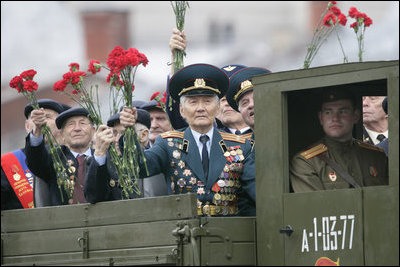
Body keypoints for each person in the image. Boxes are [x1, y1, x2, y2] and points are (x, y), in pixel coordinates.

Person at [119, 63, 256, 216]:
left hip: (231, 234)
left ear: (218, 108)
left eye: (207, 101)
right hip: (183, 233)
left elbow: (254, 193)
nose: (200, 108)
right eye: (193, 102)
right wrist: (129, 132)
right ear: (182, 110)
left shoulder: (240, 145)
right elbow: (138, 168)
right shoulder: (168, 143)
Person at [290, 89, 388, 192]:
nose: (335, 118)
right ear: (321, 118)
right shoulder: (306, 162)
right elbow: (315, 206)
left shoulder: (377, 156)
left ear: (355, 116)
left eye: (342, 111)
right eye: (328, 112)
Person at [1, 99, 66, 210]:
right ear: (27, 126)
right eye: (35, 118)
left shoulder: (70, 156)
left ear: (60, 126)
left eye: (48, 117)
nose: (40, 122)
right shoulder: (8, 162)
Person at [25, 107, 96, 205]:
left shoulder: (105, 156)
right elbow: (36, 161)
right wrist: (37, 131)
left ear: (93, 131)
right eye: (71, 124)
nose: (77, 128)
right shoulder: (54, 157)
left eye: (82, 123)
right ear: (62, 134)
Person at [226, 67, 272, 138]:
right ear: (240, 111)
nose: (251, 105)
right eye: (245, 103)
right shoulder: (243, 147)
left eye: (256, 99)